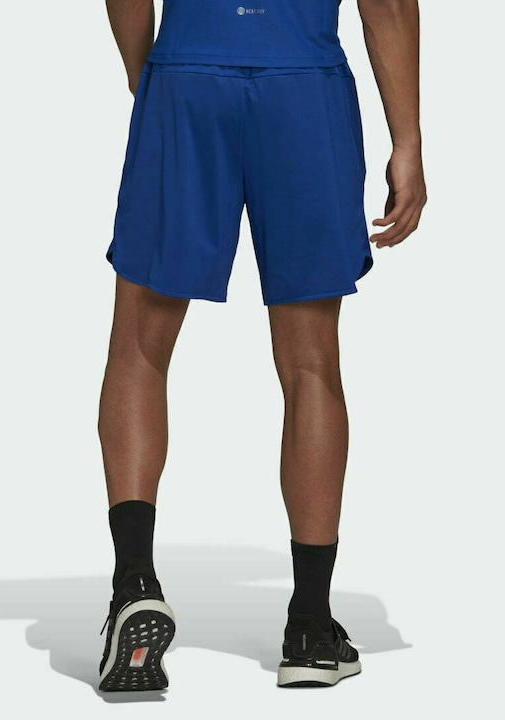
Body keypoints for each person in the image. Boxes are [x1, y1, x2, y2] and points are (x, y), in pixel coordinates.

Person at [98, 0, 426, 692]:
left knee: (140, 346)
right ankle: (310, 625)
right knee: (311, 365)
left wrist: (147, 74)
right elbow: (389, 5)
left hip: (188, 71)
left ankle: (134, 582)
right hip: (303, 84)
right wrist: (407, 140)